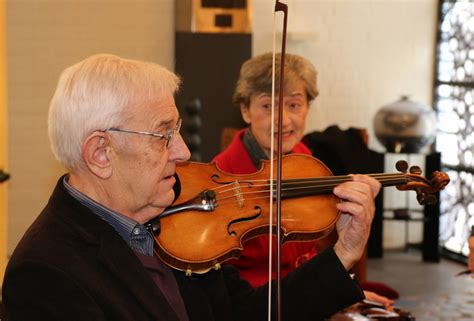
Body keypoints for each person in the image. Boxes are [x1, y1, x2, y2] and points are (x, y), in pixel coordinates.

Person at [2, 54, 380, 321]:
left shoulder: (173, 214)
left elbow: (248, 312)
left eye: (177, 129)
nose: (182, 151)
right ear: (101, 153)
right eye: (163, 134)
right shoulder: (45, 274)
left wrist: (342, 254)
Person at [213, 52, 394, 308]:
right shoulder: (221, 177)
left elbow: (306, 258)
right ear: (245, 109)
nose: (284, 120)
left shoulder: (304, 160)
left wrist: (341, 293)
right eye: (267, 106)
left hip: (306, 295)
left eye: (294, 105)